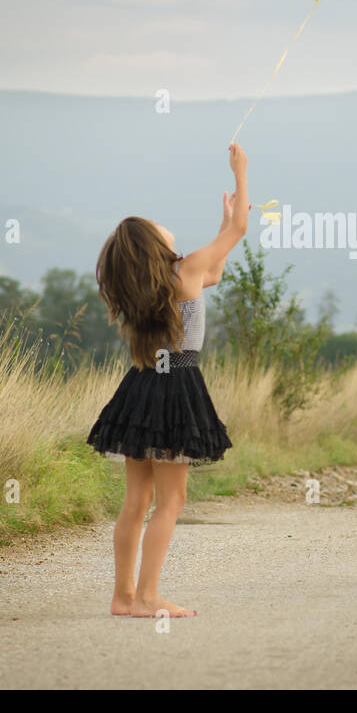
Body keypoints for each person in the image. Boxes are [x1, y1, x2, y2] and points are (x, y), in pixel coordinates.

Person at [88, 143, 250, 617]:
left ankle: (123, 598)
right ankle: (147, 596)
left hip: (141, 386)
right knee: (172, 499)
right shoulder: (182, 271)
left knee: (137, 500)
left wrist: (223, 226)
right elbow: (241, 230)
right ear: (153, 245)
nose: (164, 226)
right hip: (176, 386)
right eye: (156, 227)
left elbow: (215, 270)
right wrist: (241, 173)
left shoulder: (149, 285)